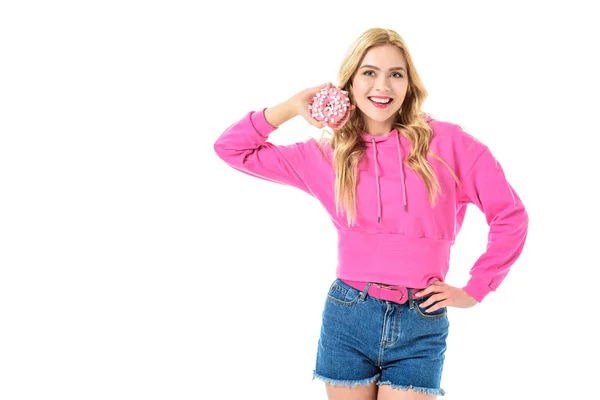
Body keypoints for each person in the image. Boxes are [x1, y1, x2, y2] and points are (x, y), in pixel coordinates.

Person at [213, 27, 529, 400]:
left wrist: (476, 289)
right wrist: (289, 107)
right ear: (349, 81)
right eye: (369, 72)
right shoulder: (324, 156)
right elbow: (231, 149)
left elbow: (509, 215)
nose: (383, 86)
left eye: (396, 74)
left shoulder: (448, 143)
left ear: (408, 83)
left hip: (420, 319)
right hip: (348, 315)